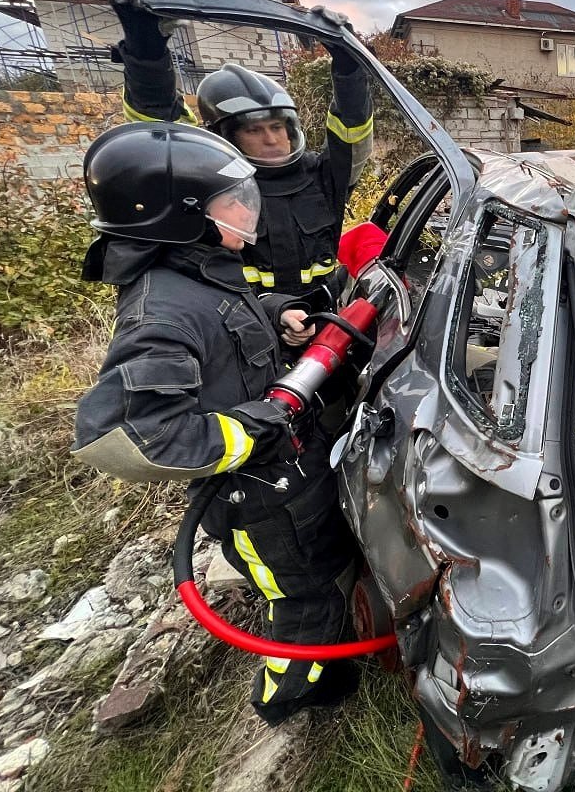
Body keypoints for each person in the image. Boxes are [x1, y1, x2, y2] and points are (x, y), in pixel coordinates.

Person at [71, 122, 360, 724]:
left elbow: (232, 321)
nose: (245, 210)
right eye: (229, 200)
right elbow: (137, 435)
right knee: (302, 596)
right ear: (178, 218)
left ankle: (317, 659)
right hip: (258, 496)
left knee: (316, 572)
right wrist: (259, 424)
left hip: (286, 470)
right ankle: (291, 695)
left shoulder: (198, 271)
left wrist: (281, 316)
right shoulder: (160, 314)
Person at [101, 0, 374, 310]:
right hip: (243, 328)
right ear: (221, 136)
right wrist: (146, 44)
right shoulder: (207, 183)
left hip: (324, 327)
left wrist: (348, 64)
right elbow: (158, 126)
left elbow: (352, 130)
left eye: (279, 126)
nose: (273, 138)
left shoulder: (322, 176)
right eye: (254, 130)